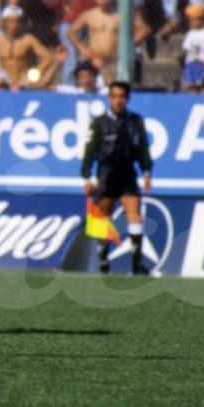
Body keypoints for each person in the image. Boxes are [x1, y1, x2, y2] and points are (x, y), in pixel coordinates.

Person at [81, 81, 153, 275]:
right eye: (115, 96)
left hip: (128, 172)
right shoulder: (99, 123)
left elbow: (143, 149)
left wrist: (147, 171)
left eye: (122, 97)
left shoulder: (135, 121)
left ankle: (136, 264)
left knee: (134, 212)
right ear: (109, 98)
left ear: (127, 99)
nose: (118, 101)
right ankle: (103, 261)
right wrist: (87, 177)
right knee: (103, 216)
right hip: (106, 173)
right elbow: (90, 151)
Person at [0, 6, 52, 88]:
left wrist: (32, 76)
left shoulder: (28, 40)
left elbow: (47, 57)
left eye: (17, 22)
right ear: (4, 23)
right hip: (4, 81)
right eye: (10, 22)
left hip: (24, 80)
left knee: (42, 85)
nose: (13, 25)